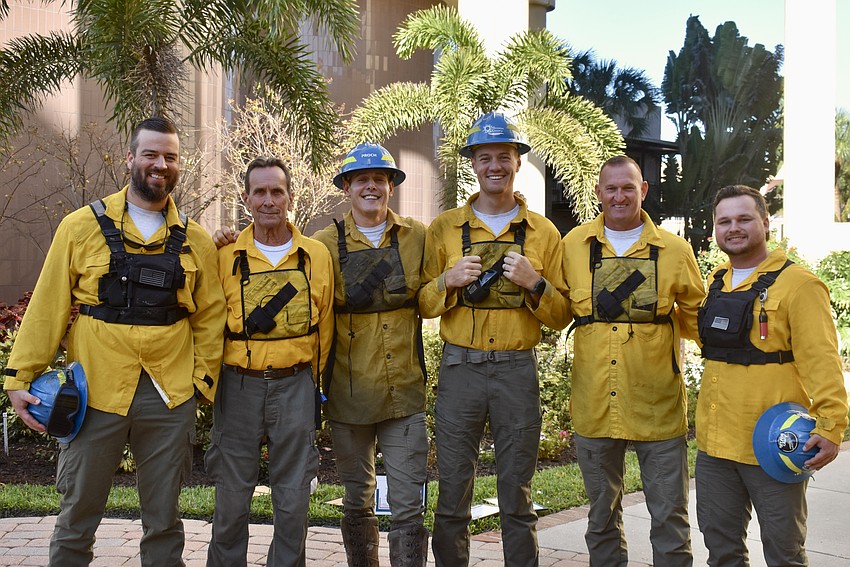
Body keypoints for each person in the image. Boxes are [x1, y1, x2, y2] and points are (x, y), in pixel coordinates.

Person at [2, 116, 226, 567]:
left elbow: (211, 317)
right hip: (93, 392)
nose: (160, 164)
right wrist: (18, 376)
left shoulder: (197, 240)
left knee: (164, 521)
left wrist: (201, 383)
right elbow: (49, 304)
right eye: (151, 154)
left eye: (170, 157)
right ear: (130, 158)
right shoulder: (78, 227)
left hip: (168, 396)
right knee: (77, 514)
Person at [419, 111, 570, 567]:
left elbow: (561, 315)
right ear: (473, 163)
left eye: (504, 156)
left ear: (517, 162)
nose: (495, 166)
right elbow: (423, 304)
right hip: (460, 368)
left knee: (517, 496)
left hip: (515, 369)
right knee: (452, 493)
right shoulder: (444, 228)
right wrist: (447, 280)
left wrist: (535, 284)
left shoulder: (544, 232)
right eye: (485, 157)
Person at [561, 155, 704, 567]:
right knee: (601, 516)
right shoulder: (573, 245)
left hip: (657, 404)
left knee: (670, 517)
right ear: (598, 193)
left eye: (629, 188)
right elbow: (555, 313)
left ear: (642, 190)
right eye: (611, 188)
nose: (620, 196)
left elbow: (699, 322)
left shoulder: (675, 250)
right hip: (594, 404)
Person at [695, 184, 849, 566]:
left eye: (744, 219)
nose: (734, 227)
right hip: (715, 448)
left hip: (773, 446)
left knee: (784, 553)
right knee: (721, 550)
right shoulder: (716, 281)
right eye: (724, 220)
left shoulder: (800, 286)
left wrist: (831, 428)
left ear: (765, 222)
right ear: (715, 228)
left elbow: (823, 362)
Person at [205, 156, 334, 567]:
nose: (268, 200)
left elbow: (325, 327)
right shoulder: (224, 255)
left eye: (276, 191)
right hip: (237, 386)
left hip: (296, 385)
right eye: (259, 191)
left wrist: (314, 386)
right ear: (246, 199)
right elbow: (206, 322)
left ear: (290, 197)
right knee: (230, 499)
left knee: (294, 499)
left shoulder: (315, 255)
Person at [312, 143, 429, 567]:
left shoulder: (417, 236)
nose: (371, 187)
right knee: (356, 498)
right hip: (348, 391)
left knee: (408, 503)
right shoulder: (321, 244)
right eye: (362, 179)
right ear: (347, 187)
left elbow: (432, 296)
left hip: (405, 392)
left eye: (380, 179)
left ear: (391, 187)